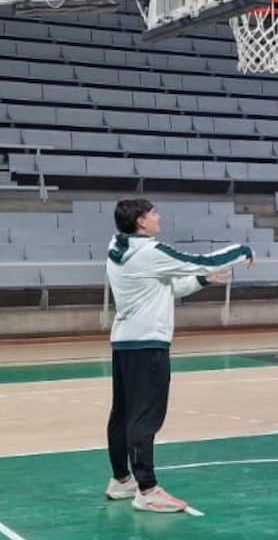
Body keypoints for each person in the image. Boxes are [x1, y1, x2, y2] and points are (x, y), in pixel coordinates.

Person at [103, 198, 254, 513]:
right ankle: (147, 490)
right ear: (141, 221)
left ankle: (121, 479)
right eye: (153, 213)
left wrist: (202, 281)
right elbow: (200, 261)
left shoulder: (117, 246)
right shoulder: (150, 252)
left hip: (125, 341)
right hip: (148, 344)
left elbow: (165, 287)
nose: (158, 217)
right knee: (145, 418)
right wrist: (242, 251)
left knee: (122, 415)